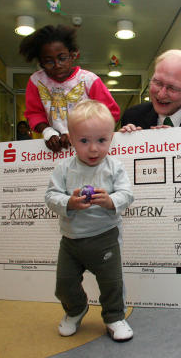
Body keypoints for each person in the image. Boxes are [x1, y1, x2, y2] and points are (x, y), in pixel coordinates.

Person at [45, 99, 134, 341]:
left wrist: (110, 200)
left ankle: (114, 316)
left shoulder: (114, 167)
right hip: (71, 241)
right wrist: (69, 203)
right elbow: (51, 196)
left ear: (111, 139)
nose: (93, 149)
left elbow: (127, 194)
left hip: (105, 238)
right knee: (64, 283)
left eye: (101, 141)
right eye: (84, 141)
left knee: (111, 283)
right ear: (71, 140)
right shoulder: (63, 168)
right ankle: (76, 309)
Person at [20, 24, 120, 152]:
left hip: (89, 146)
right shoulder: (36, 81)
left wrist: (81, 133)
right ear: (41, 63)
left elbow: (111, 112)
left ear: (72, 55)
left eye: (62, 58)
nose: (57, 65)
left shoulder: (88, 80)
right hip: (55, 149)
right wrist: (47, 131)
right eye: (49, 61)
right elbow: (34, 113)